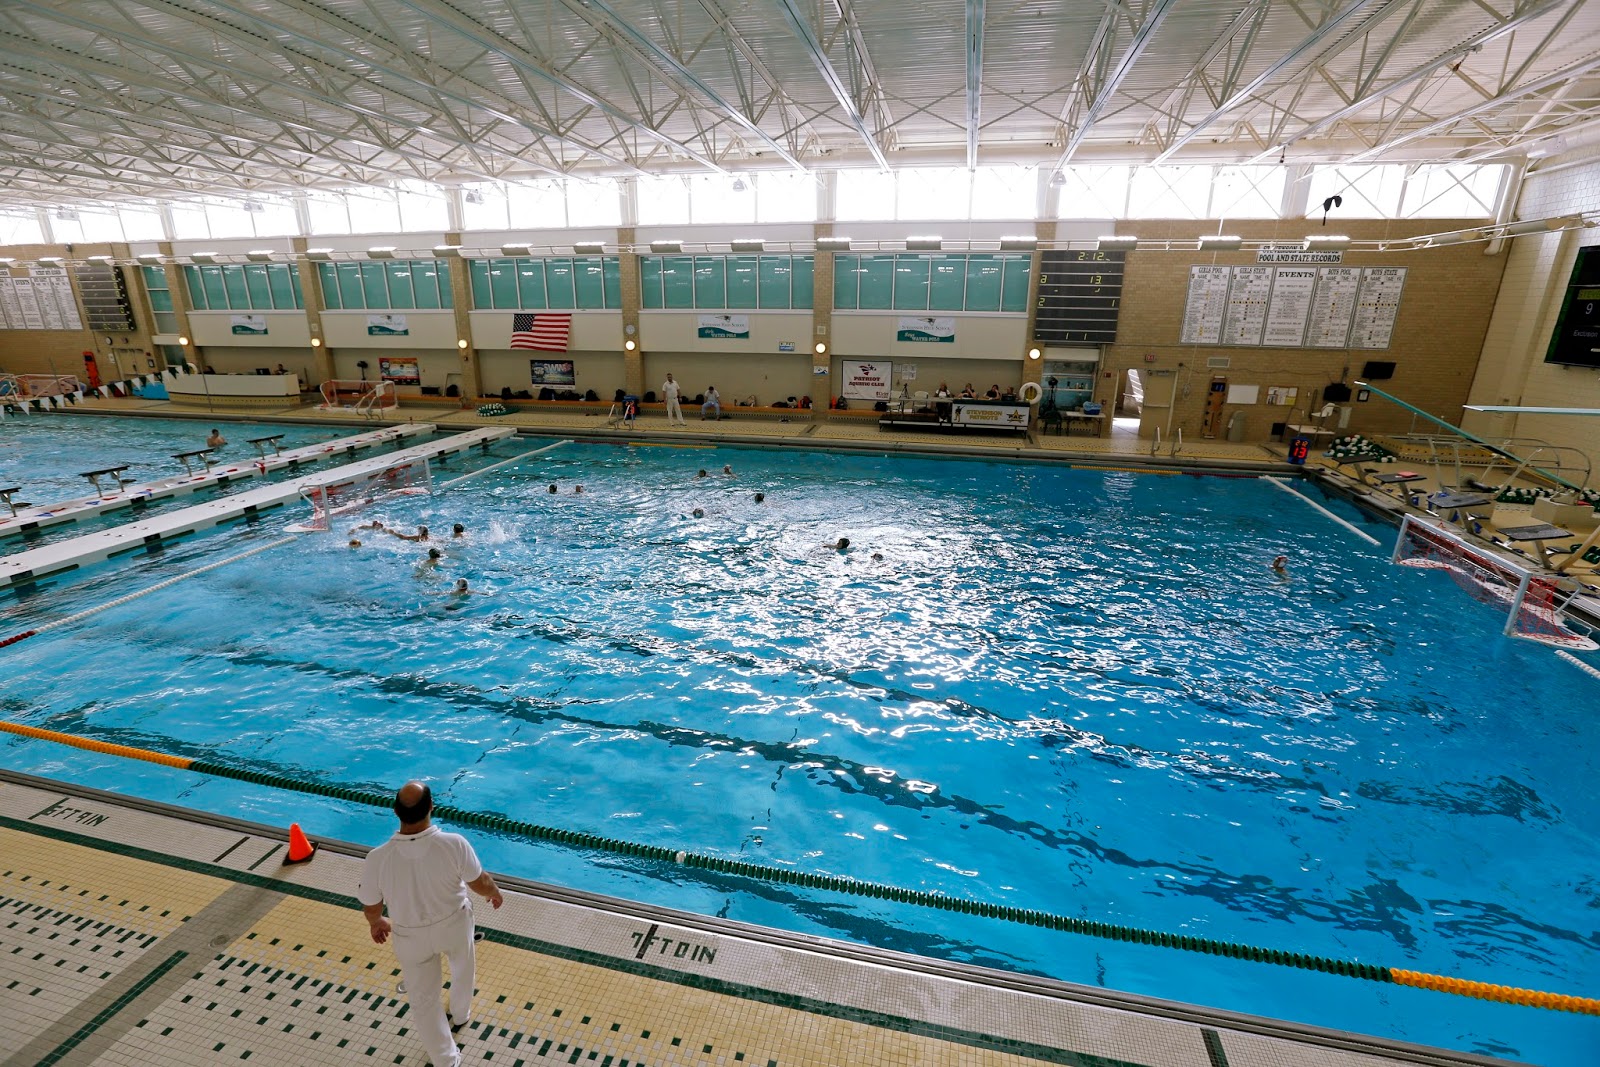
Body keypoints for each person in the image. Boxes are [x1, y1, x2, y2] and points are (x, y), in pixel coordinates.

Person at [359, 782, 504, 1067]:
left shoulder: (377, 858)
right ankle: (460, 1014)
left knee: (423, 1001)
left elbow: (371, 903)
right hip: (453, 923)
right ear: (431, 807)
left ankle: (446, 1060)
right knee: (463, 967)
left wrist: (377, 922)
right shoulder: (453, 843)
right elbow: (480, 882)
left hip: (409, 934)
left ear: (395, 812)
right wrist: (494, 893)